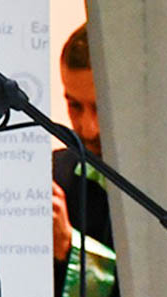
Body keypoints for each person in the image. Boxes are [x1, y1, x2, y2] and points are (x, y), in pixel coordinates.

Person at [52, 24, 119, 297]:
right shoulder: (53, 176)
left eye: (100, 107)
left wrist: (70, 248)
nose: (88, 128)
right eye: (74, 106)